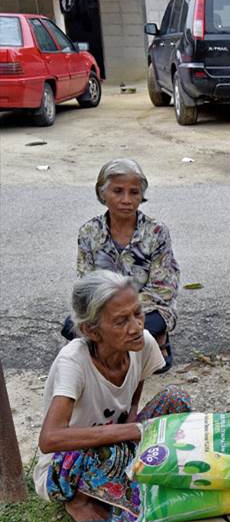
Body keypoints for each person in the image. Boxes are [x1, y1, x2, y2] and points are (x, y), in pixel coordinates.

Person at [36, 271, 191, 522]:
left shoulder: (142, 344)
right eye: (121, 321)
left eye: (138, 314)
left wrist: (133, 426)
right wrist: (132, 433)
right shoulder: (73, 363)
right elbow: (50, 439)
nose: (135, 326)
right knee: (113, 454)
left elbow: (134, 392)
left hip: (116, 441)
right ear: (91, 331)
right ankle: (79, 502)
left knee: (175, 399)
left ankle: (123, 477)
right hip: (68, 464)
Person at [66, 159, 180, 372]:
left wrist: (123, 311)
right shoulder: (89, 232)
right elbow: (86, 285)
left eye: (134, 192)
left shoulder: (156, 232)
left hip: (146, 309)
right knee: (71, 326)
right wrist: (110, 313)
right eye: (118, 191)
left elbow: (163, 290)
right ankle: (135, 350)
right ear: (102, 194)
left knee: (139, 326)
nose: (126, 200)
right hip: (104, 310)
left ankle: (118, 351)